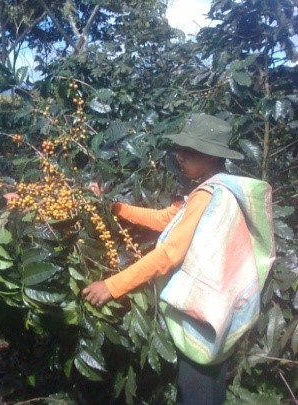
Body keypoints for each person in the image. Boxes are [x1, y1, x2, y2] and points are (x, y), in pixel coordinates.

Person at [82, 113, 275, 405]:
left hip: (203, 313)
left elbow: (170, 254)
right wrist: (112, 207)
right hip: (222, 309)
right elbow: (163, 219)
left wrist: (112, 285)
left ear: (210, 157)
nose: (180, 156)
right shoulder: (213, 191)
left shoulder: (208, 194)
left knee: (198, 393)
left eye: (189, 151)